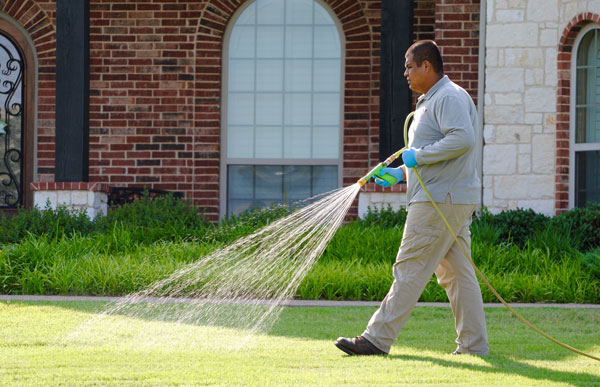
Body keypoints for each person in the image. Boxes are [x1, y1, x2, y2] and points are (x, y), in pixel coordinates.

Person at [335, 40, 489, 356]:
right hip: (449, 196)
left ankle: (376, 339)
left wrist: (416, 156)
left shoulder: (446, 97)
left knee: (410, 266)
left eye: (409, 66)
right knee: (457, 274)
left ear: (426, 66)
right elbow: (439, 155)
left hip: (438, 200)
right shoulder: (433, 100)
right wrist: (402, 173)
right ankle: (474, 346)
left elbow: (462, 139)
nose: (405, 72)